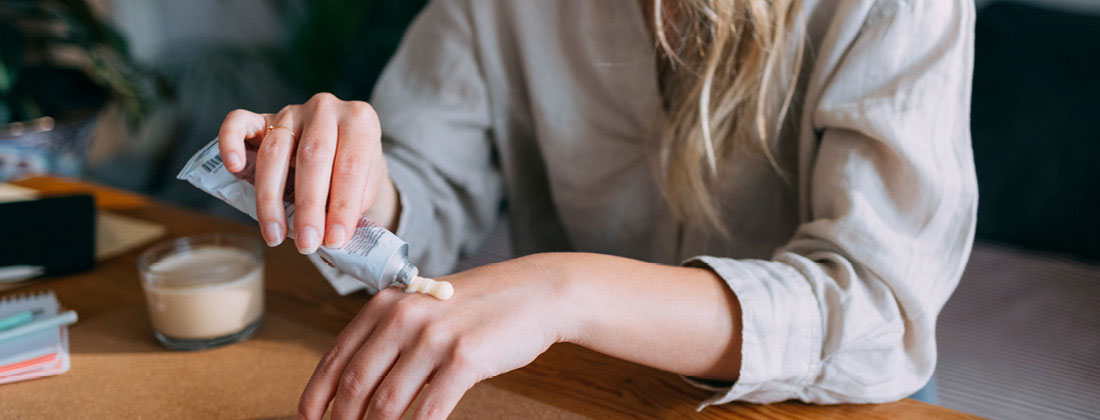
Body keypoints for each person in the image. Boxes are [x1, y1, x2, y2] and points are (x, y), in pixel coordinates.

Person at [217, 1, 976, 419]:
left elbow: (876, 310)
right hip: (593, 394)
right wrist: (345, 181)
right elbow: (428, 198)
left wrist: (562, 291)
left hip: (831, 403)